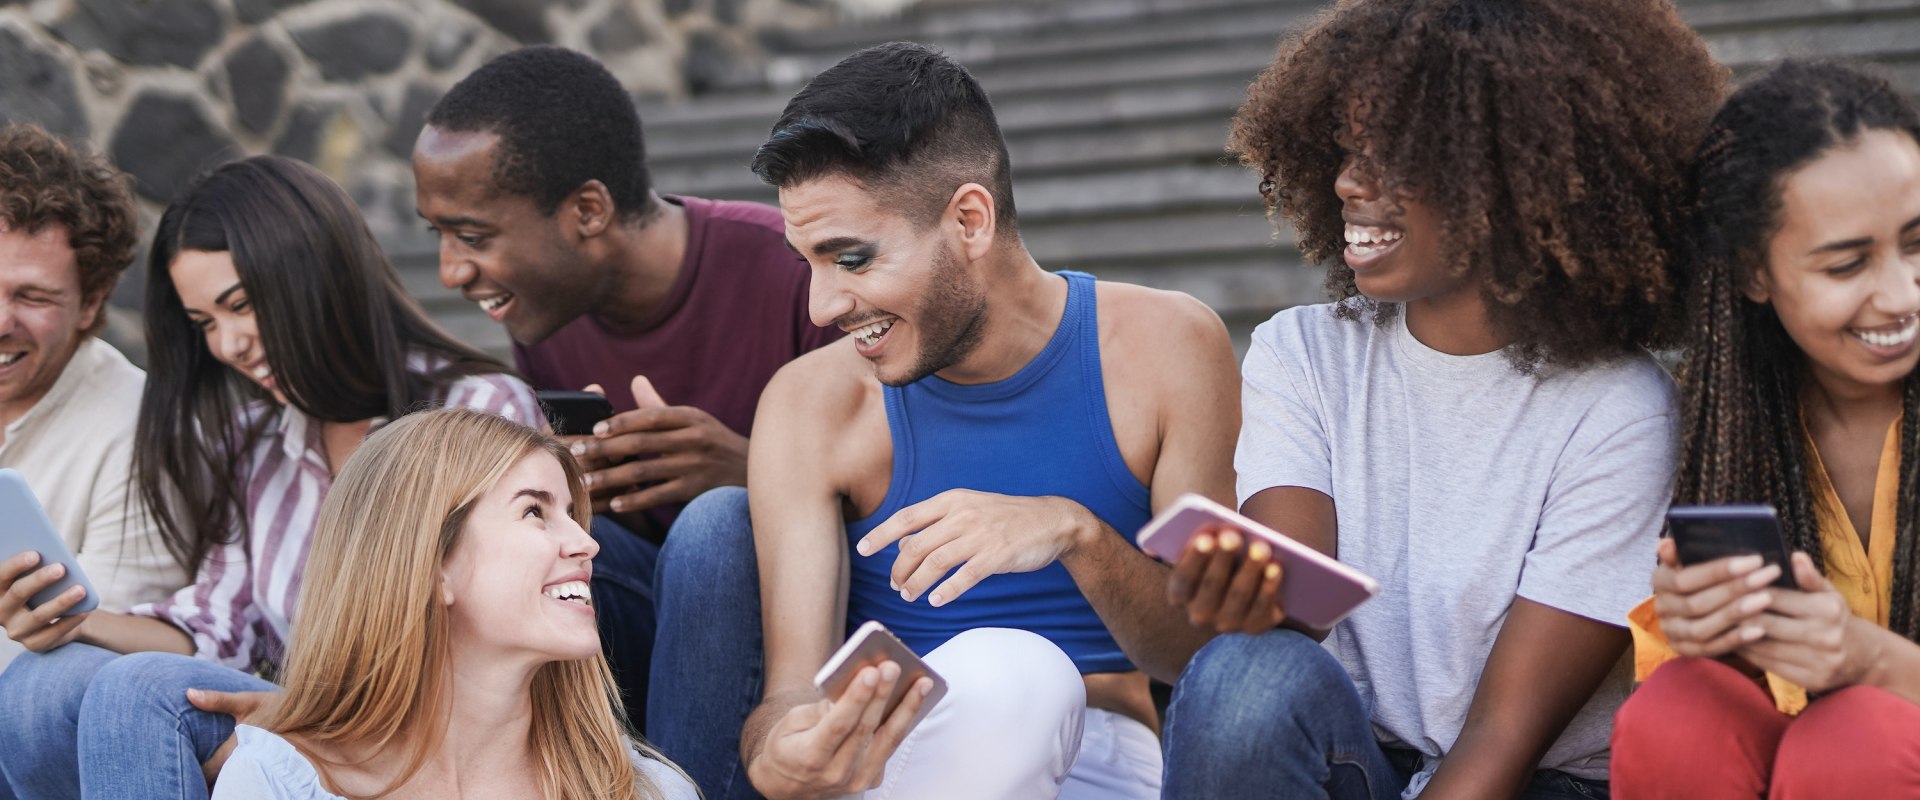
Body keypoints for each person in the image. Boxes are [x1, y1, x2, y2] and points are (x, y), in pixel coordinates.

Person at [1158, 1, 1727, 797]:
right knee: (1246, 675)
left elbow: (1502, 736)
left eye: (1398, 154)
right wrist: (1244, 599)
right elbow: (1296, 616)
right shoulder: (1303, 352)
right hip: (1363, 756)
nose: (1350, 180)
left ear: (1512, 177)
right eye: (1349, 147)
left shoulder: (1621, 411)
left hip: (1531, 778)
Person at [655, 41, 1241, 800]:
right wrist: (780, 754)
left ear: (969, 220)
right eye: (809, 264)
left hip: (1101, 754)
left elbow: (1210, 657)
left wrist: (1076, 534)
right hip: (890, 758)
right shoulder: (810, 402)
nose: (822, 307)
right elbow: (790, 695)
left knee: (1018, 672)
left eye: (853, 259)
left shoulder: (1169, 346)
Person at [0, 155, 542, 800]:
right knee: (40, 683)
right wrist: (77, 621)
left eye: (241, 305)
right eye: (205, 323)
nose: (228, 344)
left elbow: (506, 644)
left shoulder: (481, 410)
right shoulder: (254, 443)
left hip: (449, 734)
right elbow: (214, 627)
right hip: (305, 717)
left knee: (134, 692)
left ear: (319, 276)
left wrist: (316, 721)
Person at [413, 46, 839, 723]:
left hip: (814, 634)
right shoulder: (543, 314)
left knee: (716, 526)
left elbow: (907, 496)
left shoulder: (792, 272)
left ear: (587, 211)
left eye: (471, 235)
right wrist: (587, 494)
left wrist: (751, 473)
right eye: (437, 234)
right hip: (659, 625)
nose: (450, 272)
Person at [1610, 60, 1920, 797]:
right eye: (1848, 264)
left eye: (1918, 242)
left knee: (1855, 742)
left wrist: (1869, 660)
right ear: (1754, 273)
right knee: (1679, 710)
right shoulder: (1734, 427)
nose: (1903, 294)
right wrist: (1710, 630)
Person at [209, 408, 694, 799]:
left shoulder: (650, 791)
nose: (587, 544)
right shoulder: (275, 782)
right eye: (534, 511)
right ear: (432, 563)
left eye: (572, 515)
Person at [0, 123, 186, 670]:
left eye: (33, 296)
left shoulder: (144, 433)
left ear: (91, 303)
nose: (1, 322)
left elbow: (83, 670)